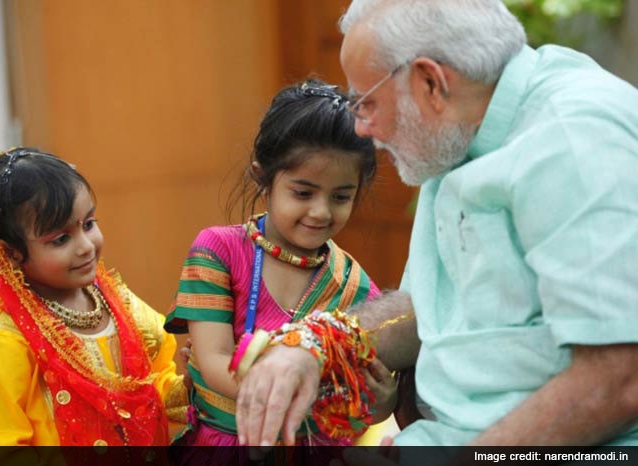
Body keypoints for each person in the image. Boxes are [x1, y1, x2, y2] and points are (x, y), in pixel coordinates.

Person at [235, 0, 638, 448]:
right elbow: (424, 308)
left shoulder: (573, 142)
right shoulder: (453, 134)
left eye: (367, 103)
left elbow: (618, 382)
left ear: (430, 82)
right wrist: (314, 346)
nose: (362, 128)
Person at [163, 79, 397, 453]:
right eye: (303, 193)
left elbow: (366, 398)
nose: (320, 212)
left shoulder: (355, 286)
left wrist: (381, 401)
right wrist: (308, 391)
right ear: (263, 176)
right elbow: (213, 361)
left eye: (341, 197)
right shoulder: (217, 252)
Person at [0, 147, 189, 448]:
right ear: (11, 253)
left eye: (88, 224)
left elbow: (154, 390)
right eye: (60, 239)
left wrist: (194, 383)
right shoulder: (6, 344)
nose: (86, 246)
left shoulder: (123, 308)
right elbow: (3, 448)